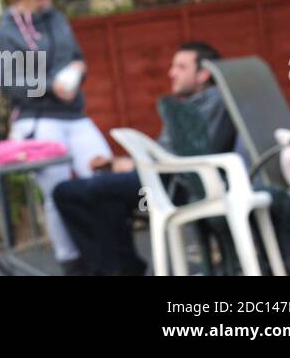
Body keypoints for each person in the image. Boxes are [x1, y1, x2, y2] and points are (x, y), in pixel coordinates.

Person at [53, 41, 234, 276]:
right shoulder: (196, 104)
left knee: (69, 192)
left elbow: (183, 154)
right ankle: (120, 269)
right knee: (104, 195)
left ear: (203, 74)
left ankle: (115, 270)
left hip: (173, 184)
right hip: (162, 177)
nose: (172, 73)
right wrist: (122, 164)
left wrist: (133, 163)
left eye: (180, 67)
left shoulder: (213, 100)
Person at [0, 0, 113, 275]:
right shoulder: (6, 32)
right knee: (57, 194)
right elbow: (9, 84)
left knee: (104, 177)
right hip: (38, 118)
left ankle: (110, 255)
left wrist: (77, 69)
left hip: (75, 114)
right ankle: (72, 263)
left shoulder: (57, 18)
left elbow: (75, 55)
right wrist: (50, 87)